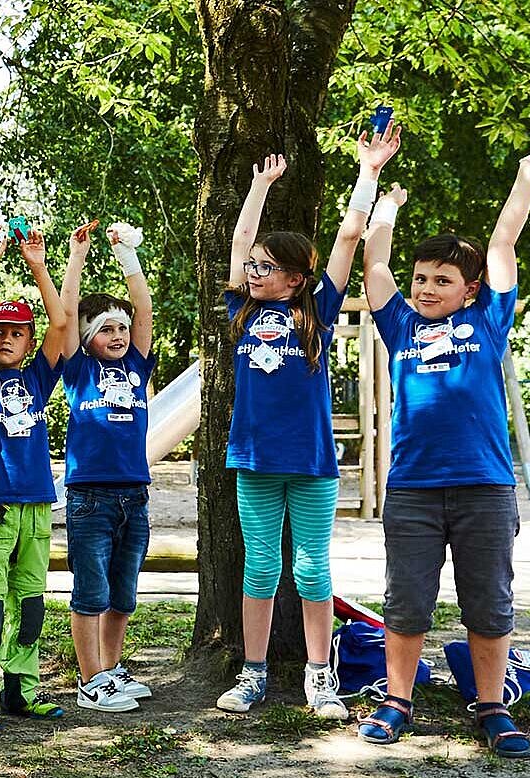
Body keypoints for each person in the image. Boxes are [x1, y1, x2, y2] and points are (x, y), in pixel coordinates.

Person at [356, 149, 530, 758]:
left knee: (489, 602)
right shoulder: (400, 326)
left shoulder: (490, 321)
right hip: (414, 489)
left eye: (442, 280)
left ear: (470, 290)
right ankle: (397, 702)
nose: (426, 288)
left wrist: (524, 179)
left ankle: (492, 705)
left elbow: (502, 243)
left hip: (485, 488)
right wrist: (385, 210)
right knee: (406, 601)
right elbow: (373, 263)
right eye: (421, 278)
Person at [214, 135, 393, 720]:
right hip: (256, 461)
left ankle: (320, 677)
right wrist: (259, 187)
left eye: (266, 267)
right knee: (260, 566)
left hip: (313, 461)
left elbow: (346, 238)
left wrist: (367, 175)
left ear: (294, 278)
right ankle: (253, 673)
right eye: (253, 267)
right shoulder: (243, 309)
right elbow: (241, 240)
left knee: (311, 567)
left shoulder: (313, 311)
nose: (253, 270)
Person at [0, 224, 69, 732]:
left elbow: (62, 326)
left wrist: (38, 266)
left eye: (16, 332)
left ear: (27, 339)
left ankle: (22, 688)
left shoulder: (39, 378)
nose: (5, 338)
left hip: (37, 505)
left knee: (30, 600)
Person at [59, 219, 157, 714]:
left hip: (133, 497)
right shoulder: (78, 370)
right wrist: (77, 256)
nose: (118, 334)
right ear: (88, 337)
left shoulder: (137, 366)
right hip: (90, 498)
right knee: (91, 592)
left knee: (123, 595)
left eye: (121, 327)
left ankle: (111, 672)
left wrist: (128, 255)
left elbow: (144, 310)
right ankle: (90, 678)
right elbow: (65, 314)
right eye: (107, 329)